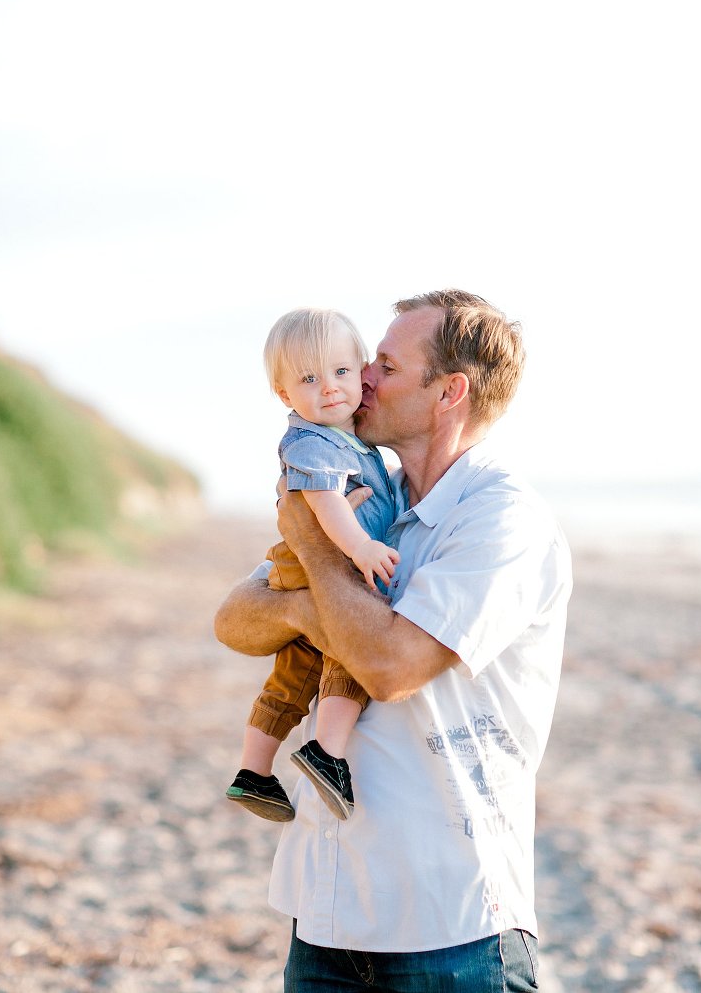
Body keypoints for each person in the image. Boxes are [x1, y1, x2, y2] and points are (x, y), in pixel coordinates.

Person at [214, 289, 572, 992]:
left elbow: (387, 664)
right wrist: (319, 591)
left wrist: (314, 551)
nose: (362, 378)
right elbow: (234, 619)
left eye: (385, 364)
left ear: (450, 392)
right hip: (325, 911)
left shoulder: (500, 521)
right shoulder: (363, 493)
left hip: (450, 929)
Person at [226, 307, 400, 824]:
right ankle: (328, 751)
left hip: (311, 562)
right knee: (350, 643)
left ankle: (253, 773)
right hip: (317, 560)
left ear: (363, 372)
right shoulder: (312, 441)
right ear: (285, 395)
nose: (329, 388)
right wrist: (361, 548)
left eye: (341, 372)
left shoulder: (353, 442)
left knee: (297, 669)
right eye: (309, 378)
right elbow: (325, 504)